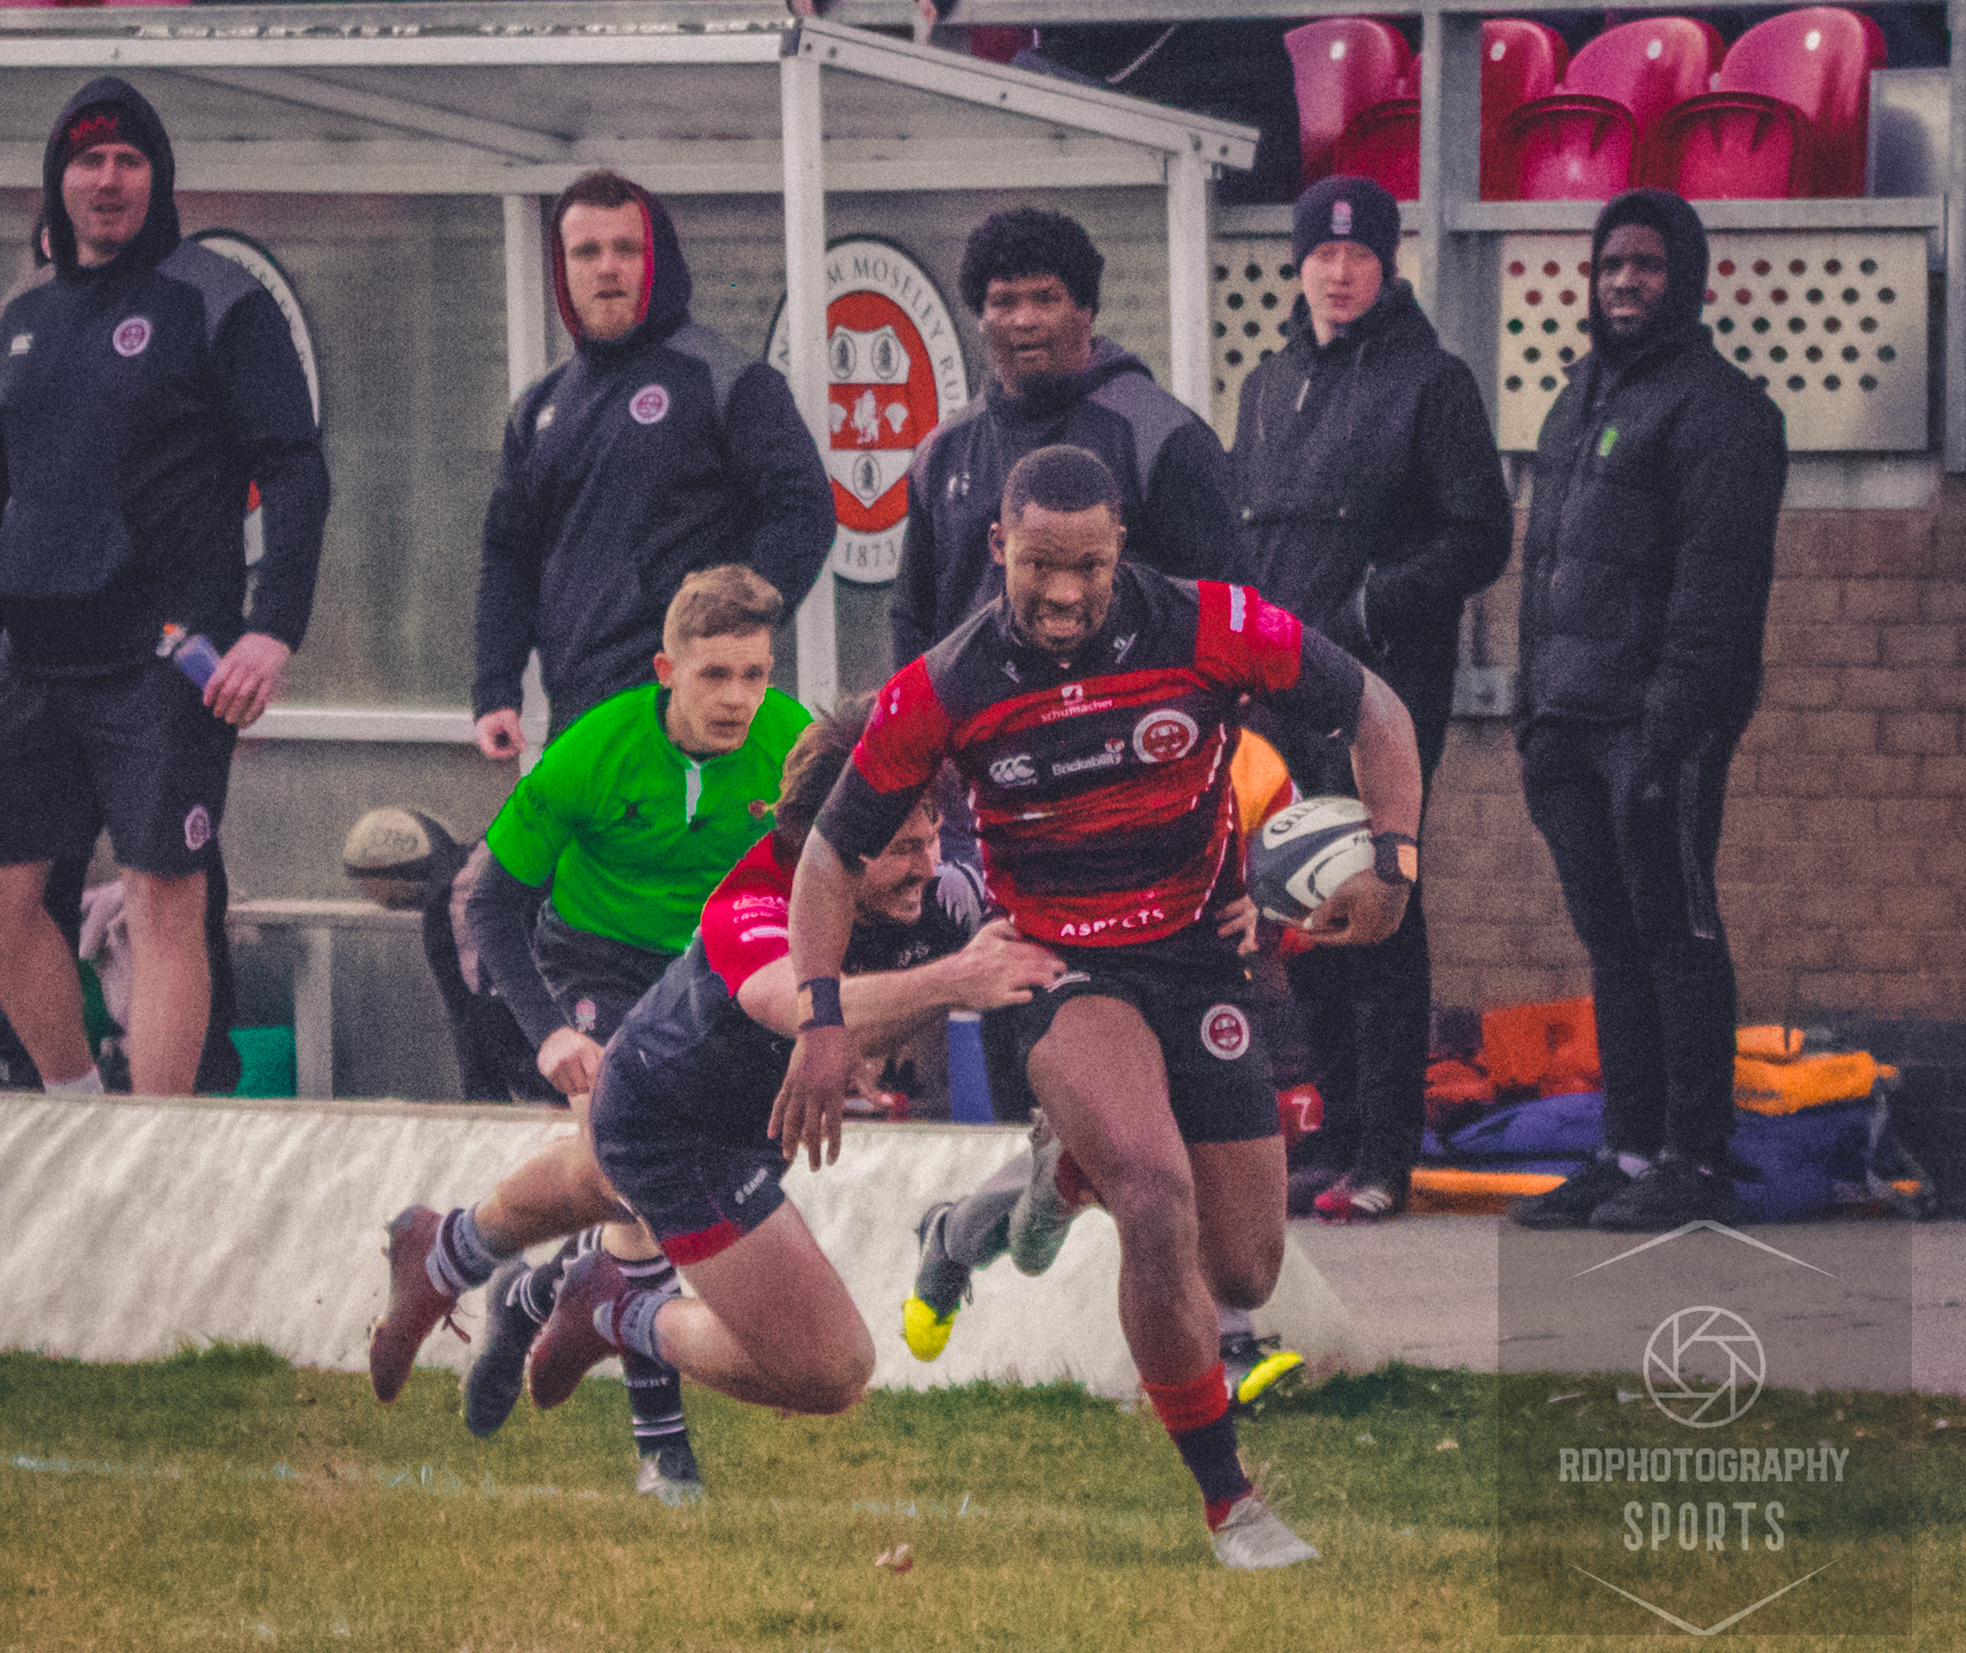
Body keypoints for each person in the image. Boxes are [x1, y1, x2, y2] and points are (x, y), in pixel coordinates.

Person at [775, 445, 1424, 1570]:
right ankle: (1232, 1505)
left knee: (1244, 1271)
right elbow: (828, 856)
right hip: (1059, 966)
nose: (1063, 592)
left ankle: (1047, 1173)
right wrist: (824, 1024)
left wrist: (1395, 864)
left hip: (1198, 955)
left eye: (1086, 564)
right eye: (1037, 566)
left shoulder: (1212, 624)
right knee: (1153, 1185)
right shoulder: (944, 683)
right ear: (999, 549)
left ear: (1120, 547)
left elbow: (1376, 712)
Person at [370, 566, 809, 1502]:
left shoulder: (795, 744)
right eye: (716, 675)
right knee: (641, 1172)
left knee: (644, 1179)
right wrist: (544, 1037)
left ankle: (499, 1278)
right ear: (666, 670)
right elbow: (487, 899)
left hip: (716, 975)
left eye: (756, 674)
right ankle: (664, 1451)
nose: (739, 698)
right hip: (594, 965)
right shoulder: (592, 749)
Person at [512, 700, 1064, 1430]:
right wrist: (956, 978)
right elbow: (794, 1002)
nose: (927, 867)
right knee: (830, 1370)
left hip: (751, 1123)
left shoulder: (940, 884)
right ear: (824, 847)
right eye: (902, 849)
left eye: (931, 837)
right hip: (668, 1131)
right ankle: (621, 1310)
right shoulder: (755, 896)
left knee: (806, 1363)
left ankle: (573, 1284)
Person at [0, 77, 327, 1100]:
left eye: (129, 160)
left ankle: (156, 1140)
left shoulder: (213, 297)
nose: (108, 179)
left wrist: (271, 632)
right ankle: (79, 1112)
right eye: (87, 160)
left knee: (160, 899)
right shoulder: (24, 316)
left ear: (159, 177)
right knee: (7, 907)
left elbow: (296, 468)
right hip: (32, 658)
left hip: (168, 652)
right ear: (56, 182)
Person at [1232, 176, 1513, 1222]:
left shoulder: (1431, 381)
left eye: (1359, 255)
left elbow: (1478, 534)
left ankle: (1387, 1153)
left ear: (1388, 265)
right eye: (1321, 254)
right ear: (1298, 263)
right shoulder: (1266, 384)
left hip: (1381, 690)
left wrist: (1365, 606)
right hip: (1275, 686)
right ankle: (1336, 1134)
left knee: (1377, 897)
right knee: (1296, 899)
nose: (1339, 271)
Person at [1507, 189, 1786, 1233]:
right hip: (1569, 728)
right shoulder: (1577, 397)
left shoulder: (1723, 413)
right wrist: (1535, 714)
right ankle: (1627, 1152)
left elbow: (1716, 595)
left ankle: (1694, 1160)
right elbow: (1542, 571)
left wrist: (1669, 729)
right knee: (1611, 943)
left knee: (1676, 935)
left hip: (1655, 731)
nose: (1623, 281)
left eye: (1646, 266)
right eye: (1610, 264)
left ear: (1687, 279)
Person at [472, 168, 833, 758]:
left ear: (657, 260)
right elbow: (509, 554)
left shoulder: (729, 382)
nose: (607, 266)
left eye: (627, 249)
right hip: (579, 716)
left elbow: (803, 512)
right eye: (586, 251)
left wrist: (729, 643)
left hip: (691, 719)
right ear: (563, 271)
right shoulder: (539, 405)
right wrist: (495, 689)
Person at [887, 207, 1242, 668]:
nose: (1023, 320)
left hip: (1122, 727)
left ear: (1086, 310)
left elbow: (1227, 603)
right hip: (978, 732)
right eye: (1004, 302)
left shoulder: (1163, 436)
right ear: (980, 317)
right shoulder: (942, 451)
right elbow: (913, 617)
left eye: (1045, 298)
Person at [340, 807, 559, 1106]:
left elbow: (469, 1013)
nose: (373, 895)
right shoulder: (477, 868)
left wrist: (484, 1098)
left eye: (373, 884)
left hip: (557, 1061)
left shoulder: (456, 897)